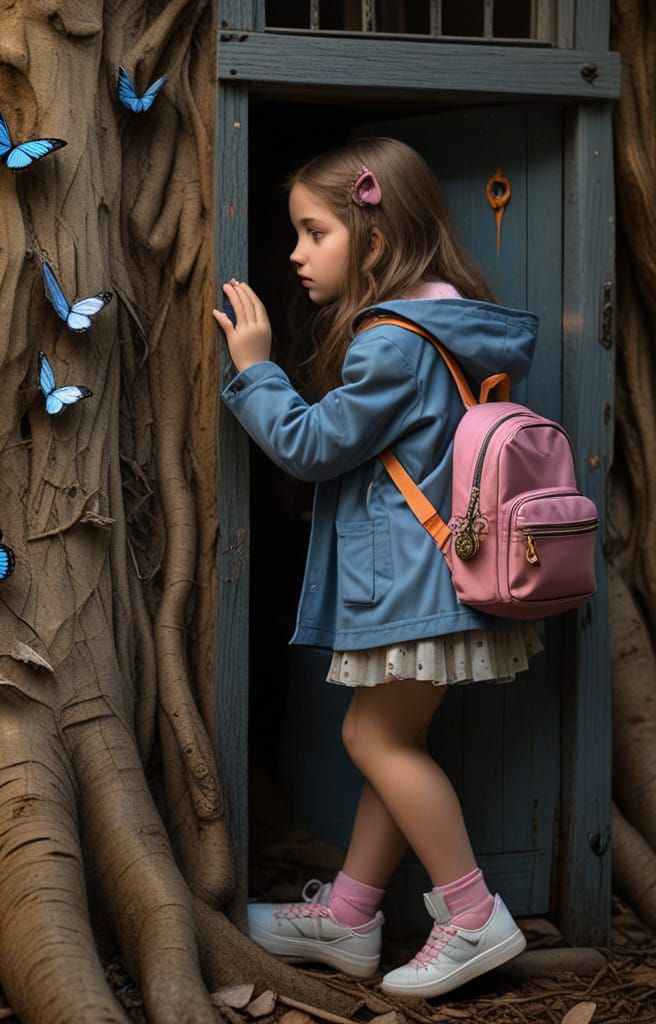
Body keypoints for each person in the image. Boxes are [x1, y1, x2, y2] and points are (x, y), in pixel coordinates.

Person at [212, 137, 543, 999]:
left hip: (413, 580)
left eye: (313, 231)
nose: (294, 253)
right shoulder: (453, 321)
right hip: (447, 571)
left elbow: (313, 446)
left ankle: (472, 917)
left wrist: (255, 371)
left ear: (376, 237)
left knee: (373, 737)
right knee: (390, 742)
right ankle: (352, 917)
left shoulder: (394, 343)